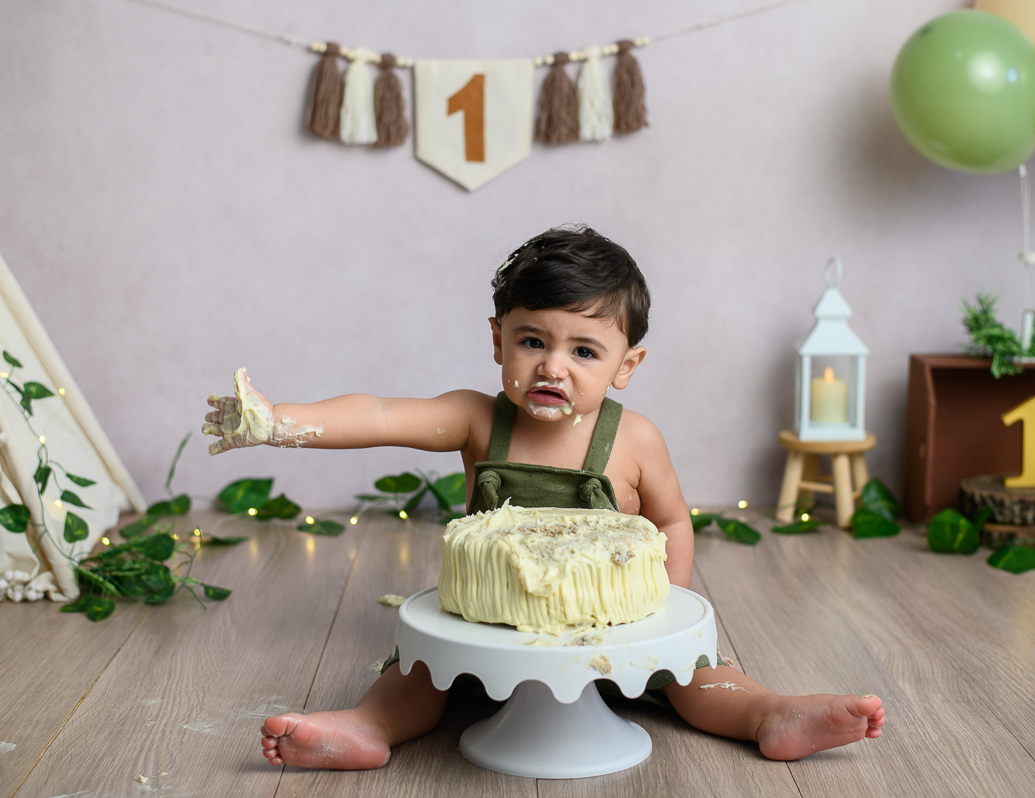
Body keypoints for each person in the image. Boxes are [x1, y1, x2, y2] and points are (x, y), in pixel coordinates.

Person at [203, 226, 885, 769]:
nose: (552, 366)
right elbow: (381, 414)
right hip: (493, 630)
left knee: (702, 678)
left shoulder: (635, 441)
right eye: (532, 341)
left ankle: (771, 715)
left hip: (614, 631)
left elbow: (673, 521)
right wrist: (278, 421)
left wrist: (661, 613)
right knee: (415, 677)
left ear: (626, 366)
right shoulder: (477, 419)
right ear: (498, 340)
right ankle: (366, 727)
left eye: (584, 352)